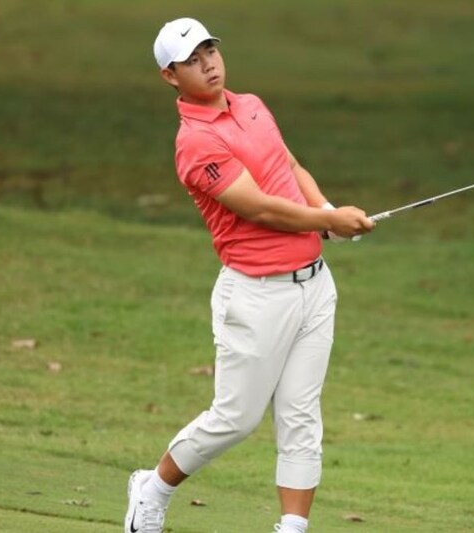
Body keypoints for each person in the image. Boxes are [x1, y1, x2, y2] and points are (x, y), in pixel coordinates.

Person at [125, 17, 375, 533]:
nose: (208, 64)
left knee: (302, 417)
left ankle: (292, 529)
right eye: (192, 60)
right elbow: (260, 208)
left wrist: (326, 212)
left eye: (210, 51)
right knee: (235, 419)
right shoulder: (194, 143)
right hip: (256, 296)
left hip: (314, 287)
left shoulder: (253, 105)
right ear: (170, 76)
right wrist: (330, 220)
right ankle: (151, 489)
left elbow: (289, 168)